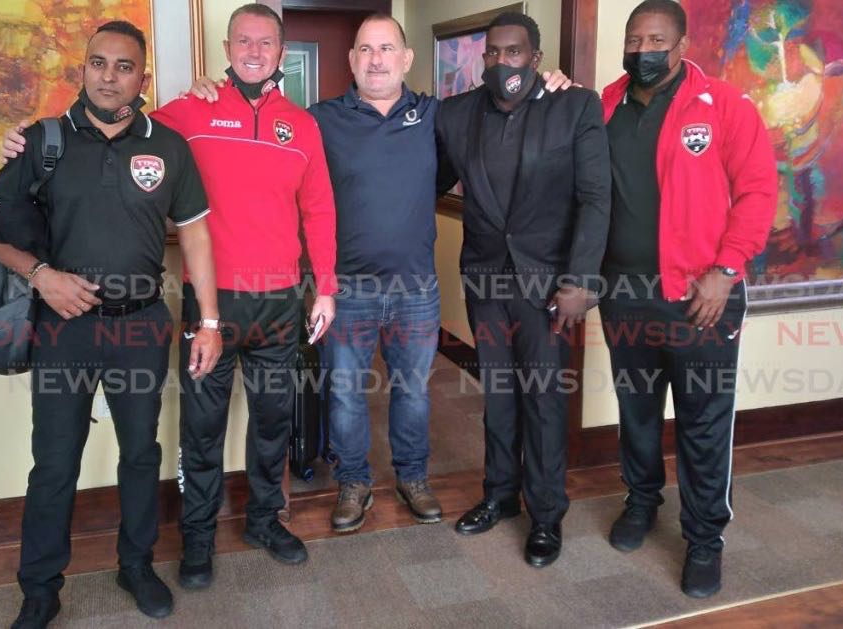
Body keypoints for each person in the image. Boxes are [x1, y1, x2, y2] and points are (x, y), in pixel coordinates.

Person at [187, 13, 573, 535]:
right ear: (351, 60)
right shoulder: (318, 120)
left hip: (416, 288)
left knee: (413, 390)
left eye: (387, 49)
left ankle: (413, 478)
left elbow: (501, 103)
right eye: (365, 50)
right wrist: (211, 88)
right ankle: (353, 483)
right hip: (345, 291)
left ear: (406, 59)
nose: (375, 60)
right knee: (345, 392)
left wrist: (549, 83)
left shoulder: (438, 116)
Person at [0, 3, 338, 595]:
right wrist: (16, 146)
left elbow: (320, 209)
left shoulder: (302, 125)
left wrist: (326, 287)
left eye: (266, 43)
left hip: (282, 300)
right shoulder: (188, 112)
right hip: (207, 304)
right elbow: (117, 123)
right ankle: (198, 540)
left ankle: (264, 520)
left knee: (272, 422)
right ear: (227, 49)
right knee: (199, 430)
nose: (254, 51)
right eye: (243, 41)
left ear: (281, 55)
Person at [0, 21, 221, 628]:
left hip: (142, 325)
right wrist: (42, 276)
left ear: (142, 77)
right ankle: (39, 587)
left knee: (141, 452)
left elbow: (194, 235)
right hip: (66, 326)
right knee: (56, 458)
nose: (109, 76)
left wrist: (211, 320)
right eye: (98, 63)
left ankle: (135, 564)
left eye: (123, 66)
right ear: (82, 69)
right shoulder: (42, 141)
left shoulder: (168, 147)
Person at [597, 0, 777, 598]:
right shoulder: (606, 103)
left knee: (702, 421)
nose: (642, 50)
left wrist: (726, 270)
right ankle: (642, 501)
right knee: (638, 411)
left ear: (680, 47)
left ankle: (704, 538)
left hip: (700, 296)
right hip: (623, 294)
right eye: (634, 39)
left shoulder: (723, 105)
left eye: (655, 40)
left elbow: (756, 192)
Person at [435, 12, 611, 568]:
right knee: (500, 397)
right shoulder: (457, 113)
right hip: (487, 280)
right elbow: (428, 177)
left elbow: (595, 198)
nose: (502, 62)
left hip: (549, 287)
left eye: (514, 53)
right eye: (493, 53)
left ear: (535, 59)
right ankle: (499, 496)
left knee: (543, 401)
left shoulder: (575, 107)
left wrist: (581, 280)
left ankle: (547, 514)